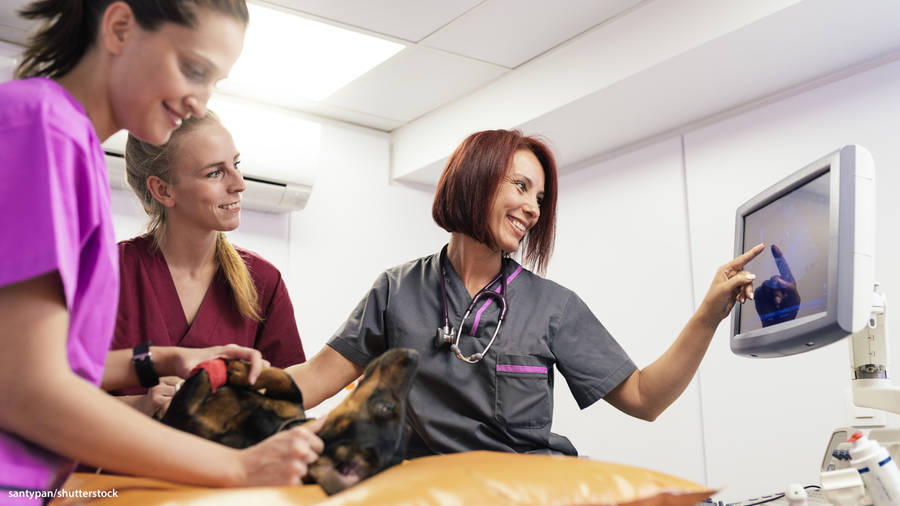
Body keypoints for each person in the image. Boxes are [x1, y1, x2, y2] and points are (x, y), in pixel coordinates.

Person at [0, 1, 323, 497]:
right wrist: (237, 468)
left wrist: (163, 359)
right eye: (193, 70)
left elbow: (57, 365)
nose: (199, 102)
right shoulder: (43, 127)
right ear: (120, 28)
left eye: (214, 82)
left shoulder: (72, 145)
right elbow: (24, 389)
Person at [284, 129, 765, 457]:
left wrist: (707, 315)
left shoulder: (553, 306)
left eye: (540, 198)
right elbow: (313, 379)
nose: (533, 209)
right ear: (475, 179)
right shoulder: (396, 291)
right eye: (521, 186)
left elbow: (645, 398)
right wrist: (242, 380)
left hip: (528, 492)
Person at [112, 112, 306, 415]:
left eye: (236, 165)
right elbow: (52, 397)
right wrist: (140, 405)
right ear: (163, 190)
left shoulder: (263, 281)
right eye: (215, 173)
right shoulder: (109, 272)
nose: (239, 184)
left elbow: (286, 405)